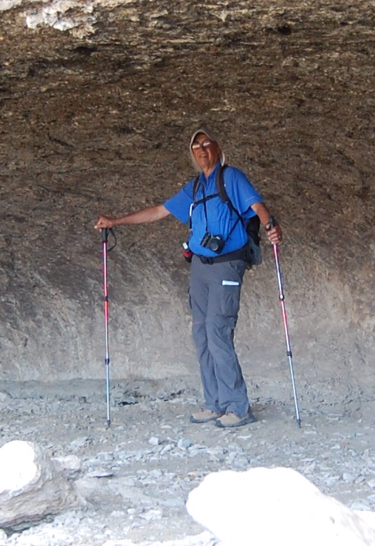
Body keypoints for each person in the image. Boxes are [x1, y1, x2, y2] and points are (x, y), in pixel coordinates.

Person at [95, 130, 281, 428]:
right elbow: (159, 211)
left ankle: (239, 407)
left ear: (217, 148)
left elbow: (257, 206)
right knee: (201, 333)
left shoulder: (231, 177)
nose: (202, 150)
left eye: (207, 144)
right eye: (196, 147)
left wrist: (270, 226)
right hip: (199, 266)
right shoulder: (195, 188)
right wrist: (115, 221)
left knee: (217, 330)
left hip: (226, 264)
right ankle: (215, 404)